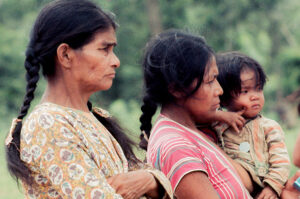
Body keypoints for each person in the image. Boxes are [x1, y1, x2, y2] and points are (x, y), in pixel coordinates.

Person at [4, 0, 172, 198]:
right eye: (104, 49)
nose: (116, 61)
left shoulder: (98, 118)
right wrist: (150, 180)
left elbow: (149, 176)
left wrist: (149, 180)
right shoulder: (48, 124)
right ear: (66, 55)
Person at [139, 29, 299, 199]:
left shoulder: (200, 132)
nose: (220, 90)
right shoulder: (176, 146)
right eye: (210, 81)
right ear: (177, 89)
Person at [214, 52, 290, 198]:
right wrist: (220, 115)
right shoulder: (218, 125)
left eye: (259, 88)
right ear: (223, 98)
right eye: (245, 91)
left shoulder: (269, 127)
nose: (255, 96)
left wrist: (272, 187)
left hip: (263, 192)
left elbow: (281, 161)